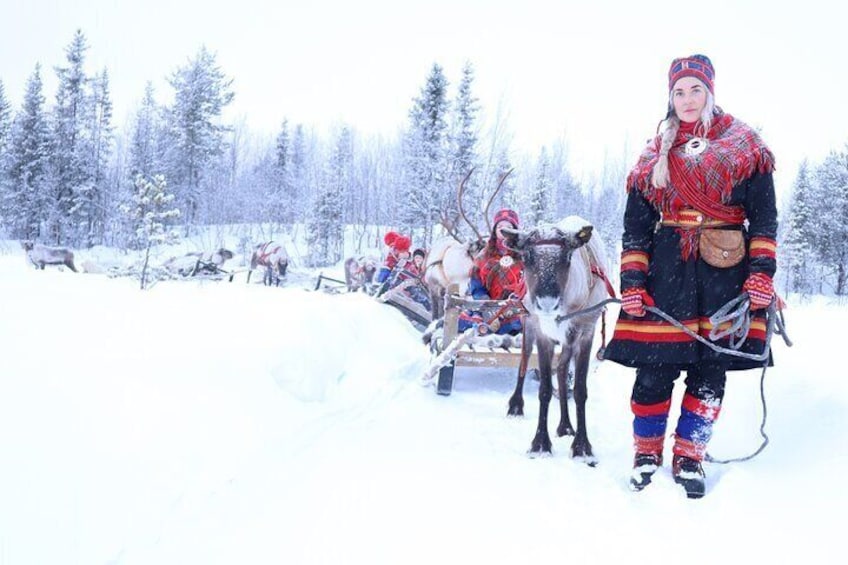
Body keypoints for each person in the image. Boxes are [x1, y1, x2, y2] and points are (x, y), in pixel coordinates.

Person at [602, 55, 778, 499]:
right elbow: (636, 226)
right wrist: (634, 283)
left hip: (724, 272)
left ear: (710, 91)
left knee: (709, 371)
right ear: (670, 95)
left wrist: (761, 274)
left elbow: (764, 219)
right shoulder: (653, 152)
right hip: (666, 273)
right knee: (653, 372)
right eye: (679, 92)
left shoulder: (745, 147)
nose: (687, 100)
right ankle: (646, 454)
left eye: (695, 90)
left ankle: (689, 458)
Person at [458, 208, 526, 335]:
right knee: (464, 320)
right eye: (500, 226)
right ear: (494, 230)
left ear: (515, 230)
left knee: (521, 321)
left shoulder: (525, 257)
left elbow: (528, 286)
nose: (503, 229)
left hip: (516, 308)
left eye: (508, 226)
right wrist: (486, 302)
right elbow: (476, 286)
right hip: (488, 306)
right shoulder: (483, 257)